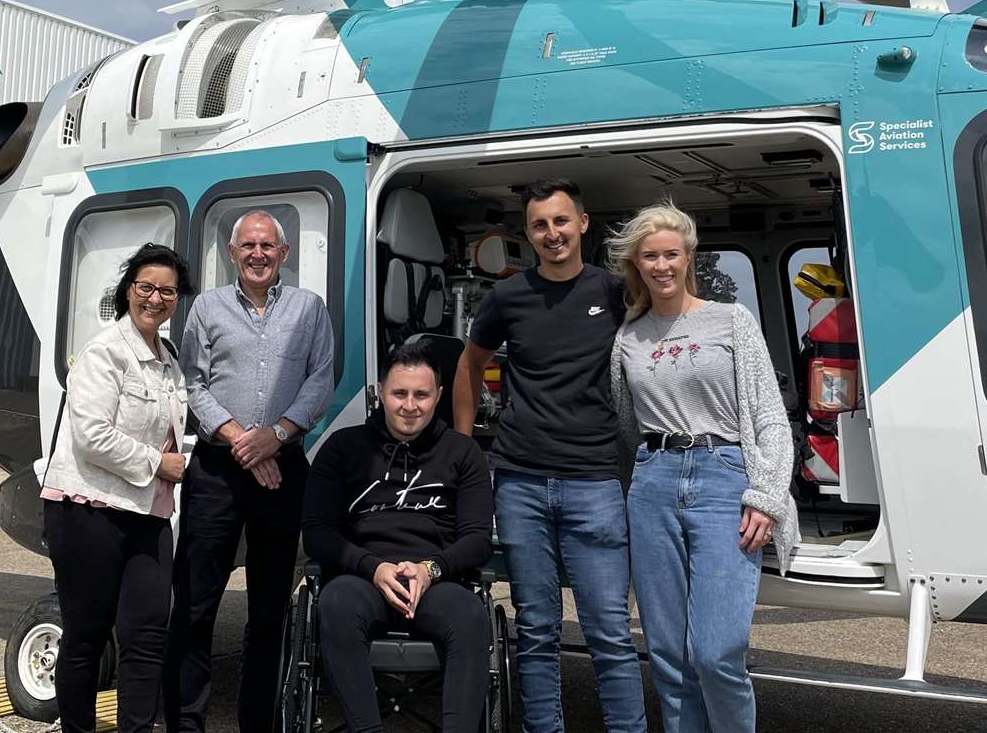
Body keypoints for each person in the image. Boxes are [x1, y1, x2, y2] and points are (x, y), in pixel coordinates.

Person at [451, 178, 647, 733]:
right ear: (528, 234)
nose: (552, 233)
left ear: (582, 224)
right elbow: (469, 365)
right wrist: (465, 449)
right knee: (535, 626)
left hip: (596, 481)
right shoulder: (507, 296)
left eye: (561, 221)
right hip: (520, 482)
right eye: (540, 225)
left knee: (608, 628)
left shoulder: (614, 293)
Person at [606, 202, 800, 733]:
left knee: (717, 652)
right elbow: (628, 424)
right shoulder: (628, 338)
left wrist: (767, 494)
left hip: (724, 478)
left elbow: (768, 416)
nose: (662, 265)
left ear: (689, 257)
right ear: (637, 265)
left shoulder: (731, 321)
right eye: (650, 257)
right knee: (668, 655)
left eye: (671, 254)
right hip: (653, 482)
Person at [167, 210, 336, 733]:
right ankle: (184, 723)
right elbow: (192, 383)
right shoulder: (207, 309)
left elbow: (322, 378)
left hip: (282, 471)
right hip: (218, 471)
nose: (258, 254)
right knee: (195, 606)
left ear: (283, 254)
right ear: (234, 253)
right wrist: (245, 440)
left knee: (268, 612)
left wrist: (277, 436)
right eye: (248, 246)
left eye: (268, 245)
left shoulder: (310, 309)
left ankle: (256, 723)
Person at [301, 337, 495, 733]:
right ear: (380, 394)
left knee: (471, 615)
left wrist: (431, 569)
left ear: (439, 395)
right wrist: (372, 568)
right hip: (362, 578)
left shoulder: (463, 453)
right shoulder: (342, 447)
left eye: (421, 395)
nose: (410, 405)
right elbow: (317, 532)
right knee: (335, 604)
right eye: (399, 393)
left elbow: (477, 539)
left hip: (435, 581)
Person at [38, 242, 194, 733]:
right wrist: (158, 464)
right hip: (89, 510)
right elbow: (91, 436)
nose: (156, 298)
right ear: (128, 290)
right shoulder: (104, 352)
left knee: (147, 636)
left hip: (147, 513)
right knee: (86, 635)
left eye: (167, 291)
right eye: (146, 287)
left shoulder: (168, 358)